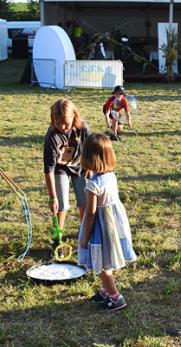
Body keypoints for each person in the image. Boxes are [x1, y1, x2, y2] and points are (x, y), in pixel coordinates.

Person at [78, 134, 136, 311]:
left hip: (99, 228)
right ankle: (105, 290)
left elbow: (90, 213)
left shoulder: (92, 185)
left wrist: (85, 238)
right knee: (105, 259)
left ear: (88, 157)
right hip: (113, 224)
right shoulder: (111, 176)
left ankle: (115, 297)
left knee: (102, 264)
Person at [44, 99, 91, 254]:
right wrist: (52, 198)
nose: (62, 127)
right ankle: (57, 241)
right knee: (61, 205)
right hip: (59, 169)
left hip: (80, 166)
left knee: (84, 201)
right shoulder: (52, 136)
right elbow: (49, 169)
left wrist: (90, 167)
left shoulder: (83, 128)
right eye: (58, 123)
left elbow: (90, 149)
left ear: (74, 117)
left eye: (66, 123)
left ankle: (86, 235)